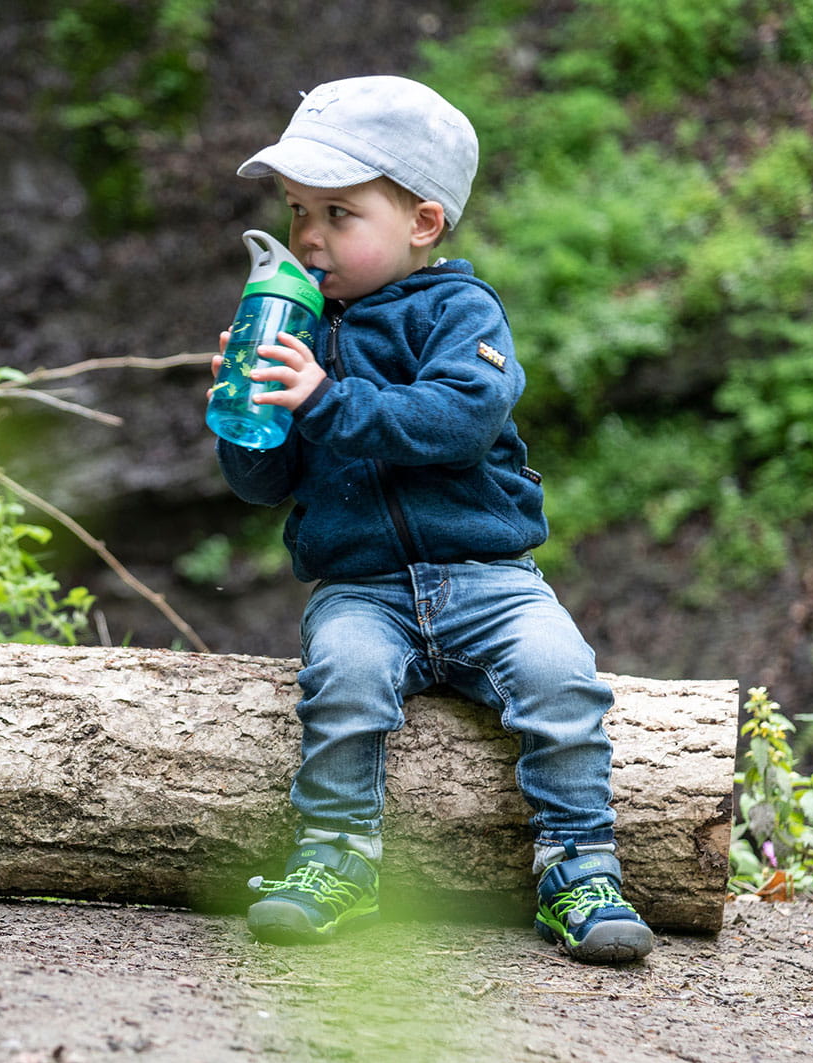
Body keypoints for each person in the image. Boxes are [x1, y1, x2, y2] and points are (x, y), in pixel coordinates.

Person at [212, 75, 652, 964]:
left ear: (423, 221)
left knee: (562, 678)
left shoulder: (460, 313)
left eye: (339, 213)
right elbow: (265, 487)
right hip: (361, 589)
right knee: (342, 682)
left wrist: (329, 399)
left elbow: (458, 420)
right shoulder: (300, 330)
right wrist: (247, 412)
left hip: (488, 578)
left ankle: (581, 867)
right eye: (299, 211)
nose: (308, 236)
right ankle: (336, 859)